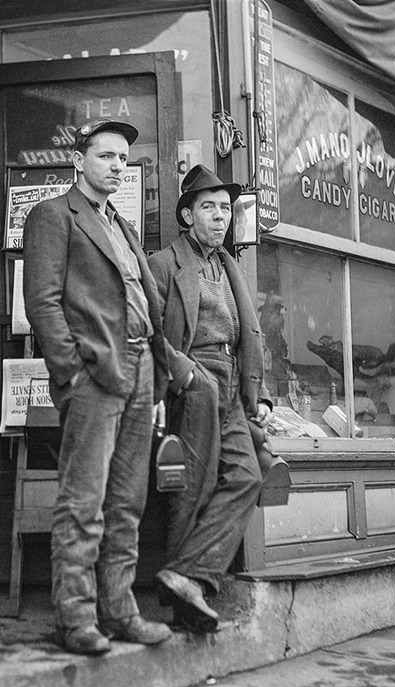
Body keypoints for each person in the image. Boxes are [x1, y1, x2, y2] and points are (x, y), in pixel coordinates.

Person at [22, 121, 173, 656]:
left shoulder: (123, 225)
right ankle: (76, 617)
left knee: (127, 502)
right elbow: (41, 302)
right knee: (83, 501)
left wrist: (157, 366)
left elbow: (144, 300)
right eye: (105, 155)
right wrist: (71, 372)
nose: (115, 165)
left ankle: (121, 611)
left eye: (122, 159)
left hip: (140, 370)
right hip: (95, 374)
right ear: (78, 161)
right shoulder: (53, 216)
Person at [149, 165, 273, 633]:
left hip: (230, 381)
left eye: (225, 208)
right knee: (192, 487)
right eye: (209, 207)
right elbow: (149, 331)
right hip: (192, 379)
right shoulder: (165, 263)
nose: (219, 216)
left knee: (247, 474)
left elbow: (249, 335)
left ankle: (188, 575)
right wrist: (183, 374)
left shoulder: (229, 265)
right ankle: (185, 601)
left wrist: (255, 393)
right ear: (187, 214)